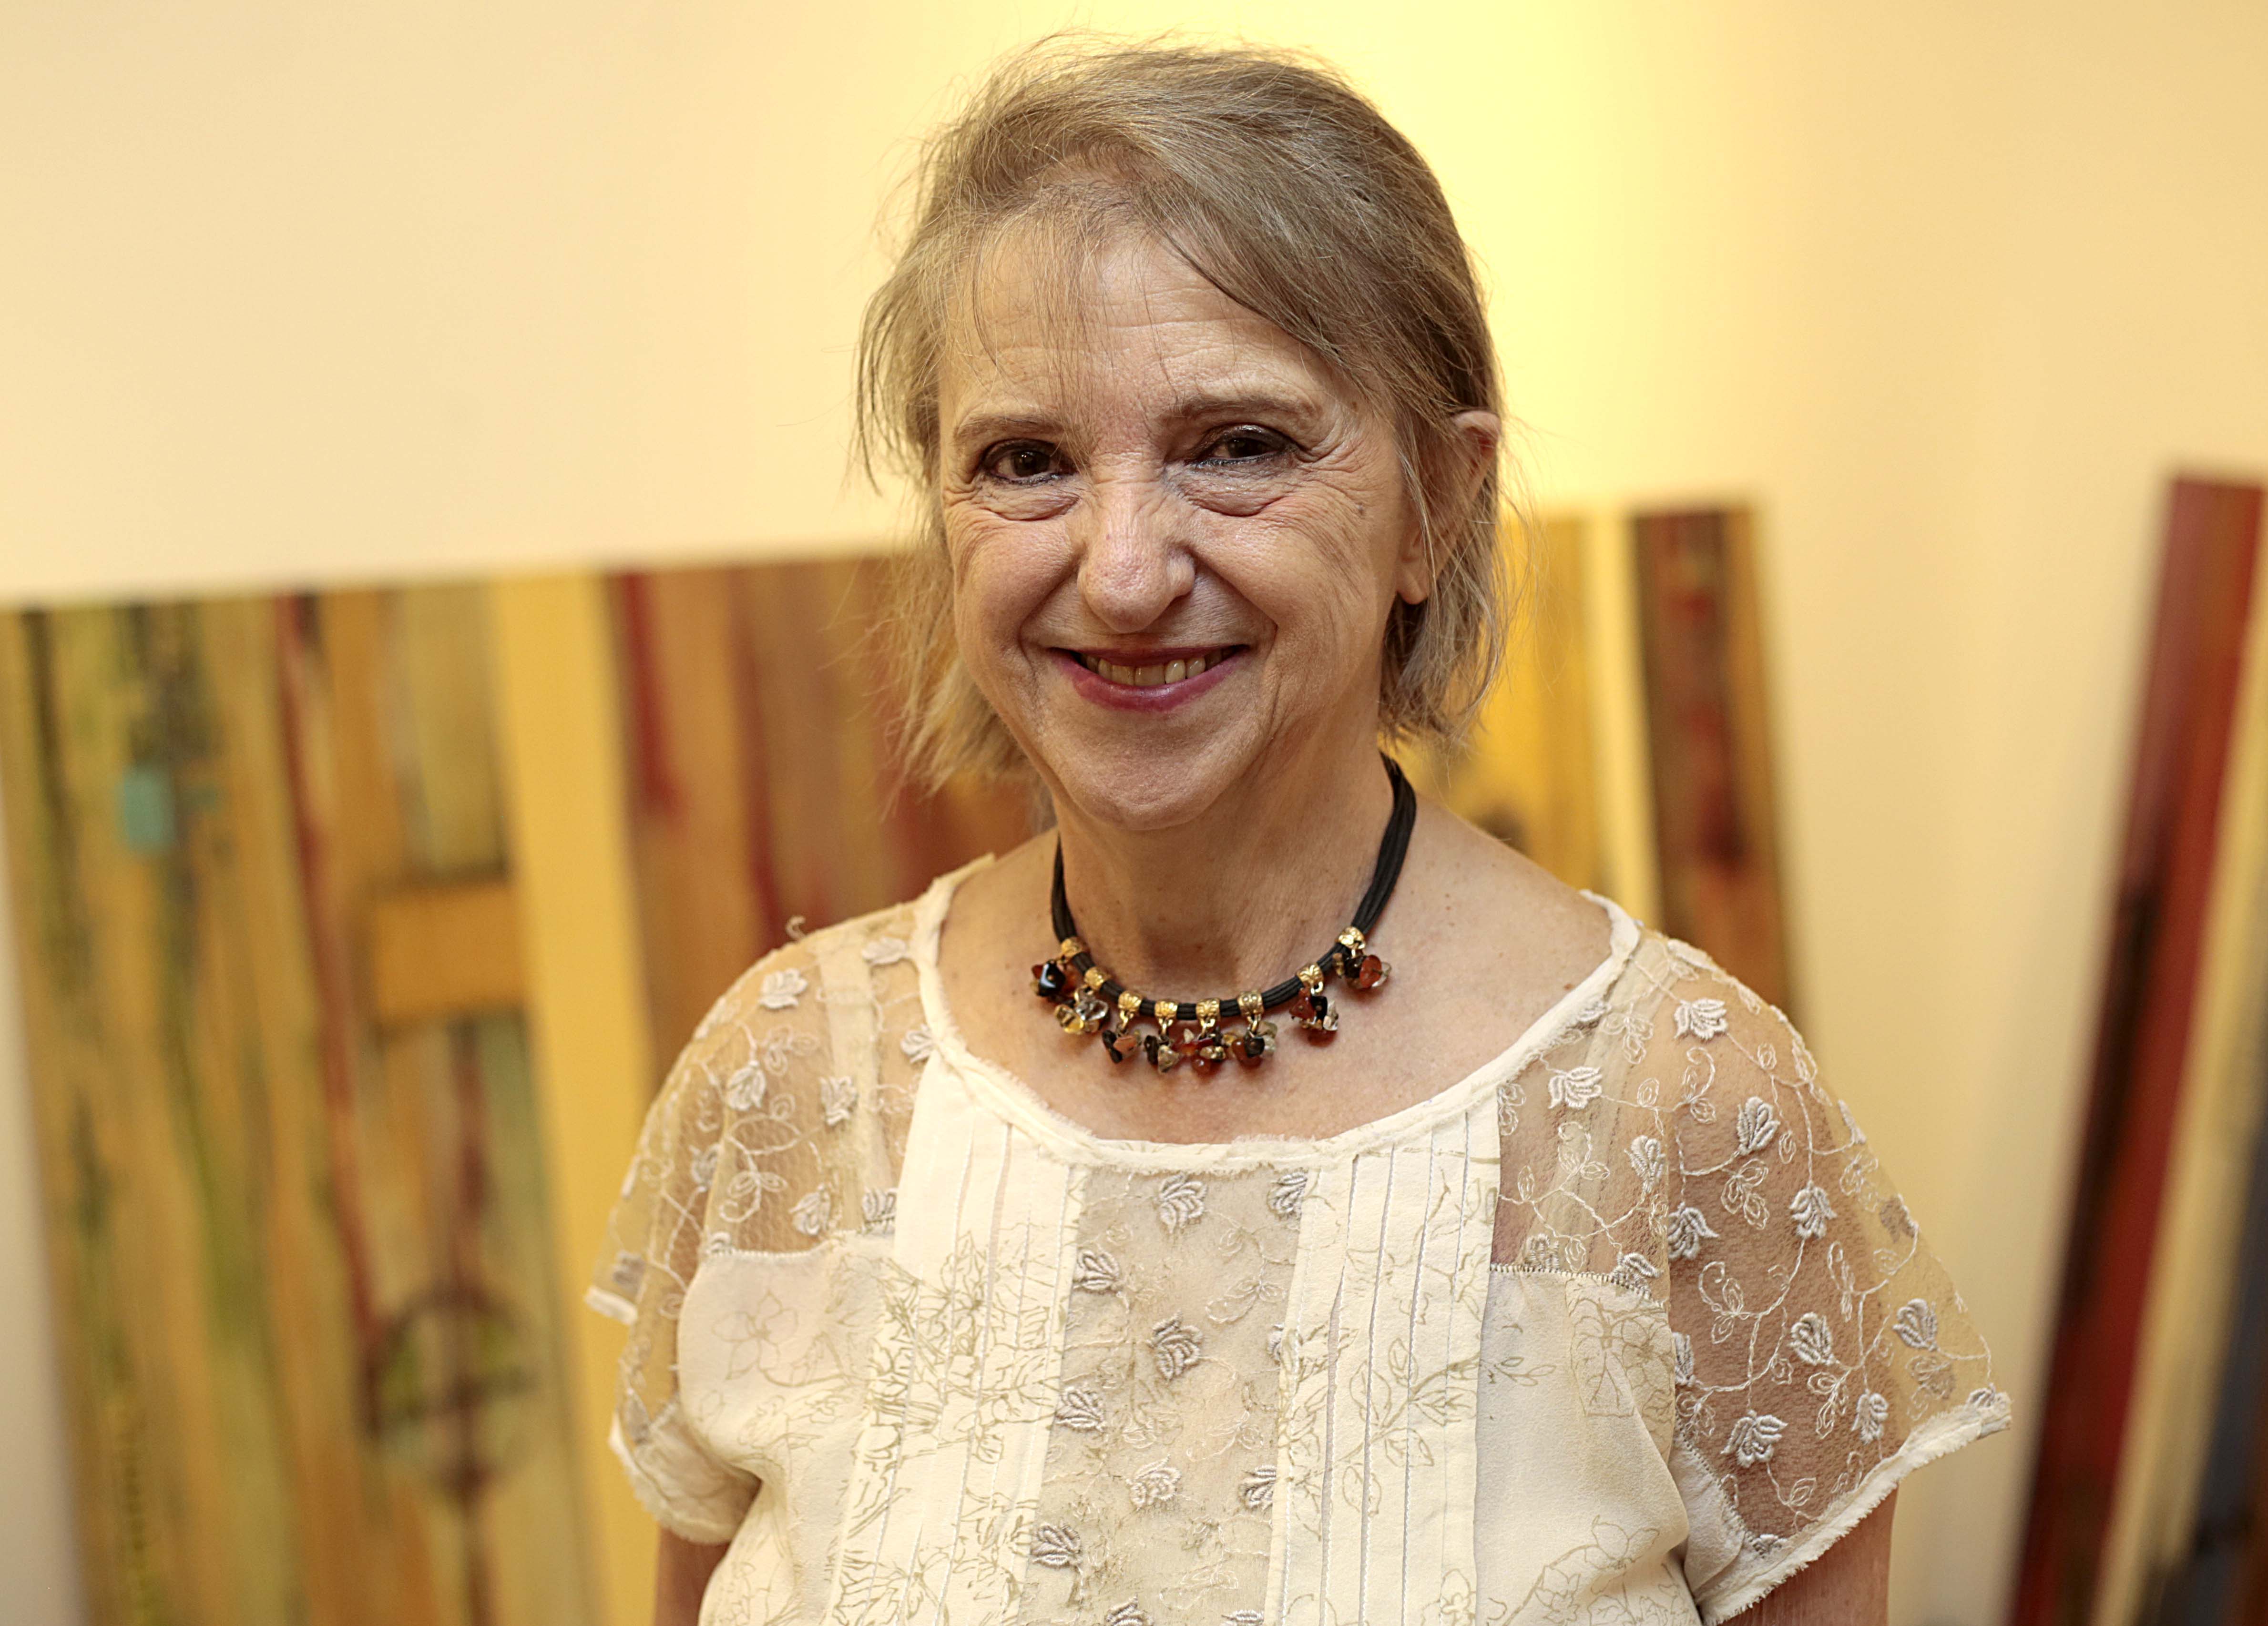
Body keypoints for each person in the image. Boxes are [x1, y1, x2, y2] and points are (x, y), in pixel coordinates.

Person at [590, 37, 2006, 1626]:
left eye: (1240, 445)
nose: (1123, 571)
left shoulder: (1681, 1114)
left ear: (1438, 503)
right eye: (1026, 462)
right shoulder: (791, 1082)